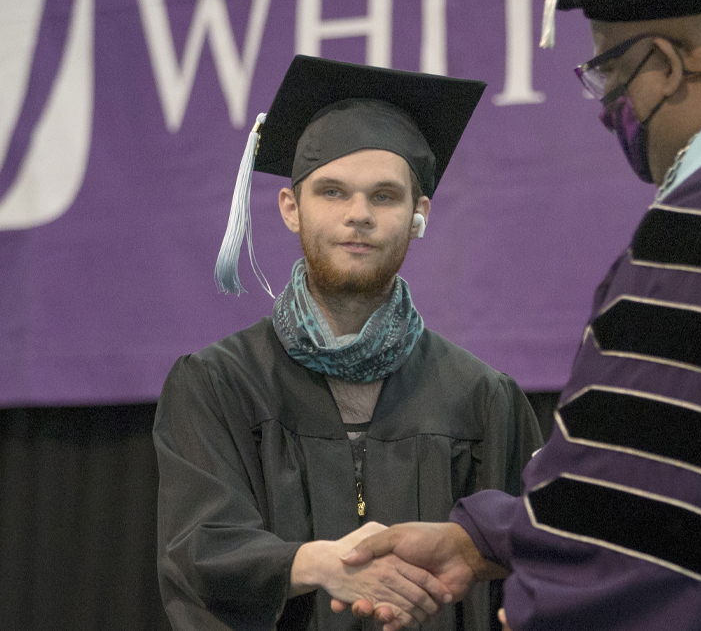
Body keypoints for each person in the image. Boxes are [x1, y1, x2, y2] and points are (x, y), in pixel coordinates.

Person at [336, 0, 701, 629]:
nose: (611, 107)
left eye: (609, 72)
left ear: (664, 62)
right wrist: (490, 536)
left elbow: (679, 562)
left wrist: (543, 605)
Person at [153, 55, 544, 631]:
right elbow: (199, 550)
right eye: (332, 192)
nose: (358, 215)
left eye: (384, 197)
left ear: (419, 215)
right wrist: (317, 562)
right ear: (291, 209)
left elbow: (530, 563)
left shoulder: (484, 399)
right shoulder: (220, 384)